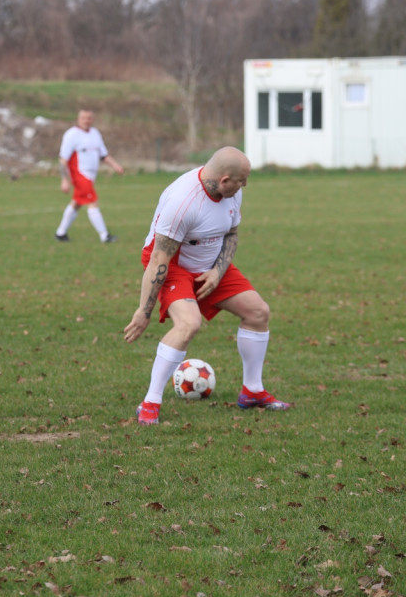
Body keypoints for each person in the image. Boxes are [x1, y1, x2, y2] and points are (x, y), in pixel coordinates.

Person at [123, 146, 291, 425]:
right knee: (189, 324)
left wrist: (217, 272)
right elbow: (158, 259)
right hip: (172, 265)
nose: (245, 185)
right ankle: (150, 402)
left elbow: (232, 233)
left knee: (258, 312)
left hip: (211, 263)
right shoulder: (183, 202)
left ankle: (252, 391)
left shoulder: (232, 192)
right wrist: (144, 311)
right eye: (242, 180)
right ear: (224, 180)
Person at [54, 109, 124, 242]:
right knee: (93, 201)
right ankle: (104, 235)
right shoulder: (72, 134)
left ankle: (60, 233)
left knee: (76, 203)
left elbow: (103, 155)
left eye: (89, 118)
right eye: (84, 118)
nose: (86, 121)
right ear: (78, 119)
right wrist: (64, 179)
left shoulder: (95, 133)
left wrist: (116, 166)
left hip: (91, 177)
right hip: (79, 175)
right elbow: (63, 159)